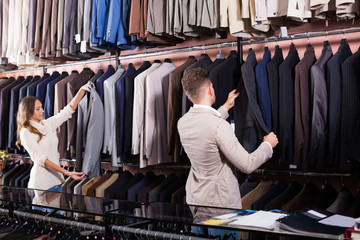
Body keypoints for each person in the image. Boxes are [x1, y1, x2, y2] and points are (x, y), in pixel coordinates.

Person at [177, 68, 278, 209]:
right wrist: (267, 145)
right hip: (220, 204)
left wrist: (226, 107)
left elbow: (205, 127)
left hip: (196, 198)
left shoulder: (183, 122)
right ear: (210, 89)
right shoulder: (220, 126)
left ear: (189, 97)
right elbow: (247, 165)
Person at [16, 82, 94, 193]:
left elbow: (67, 111)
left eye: (41, 107)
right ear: (28, 112)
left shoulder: (45, 124)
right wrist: (67, 172)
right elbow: (42, 160)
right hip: (41, 185)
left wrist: (81, 90)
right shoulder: (26, 132)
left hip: (56, 182)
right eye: (38, 109)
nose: (42, 111)